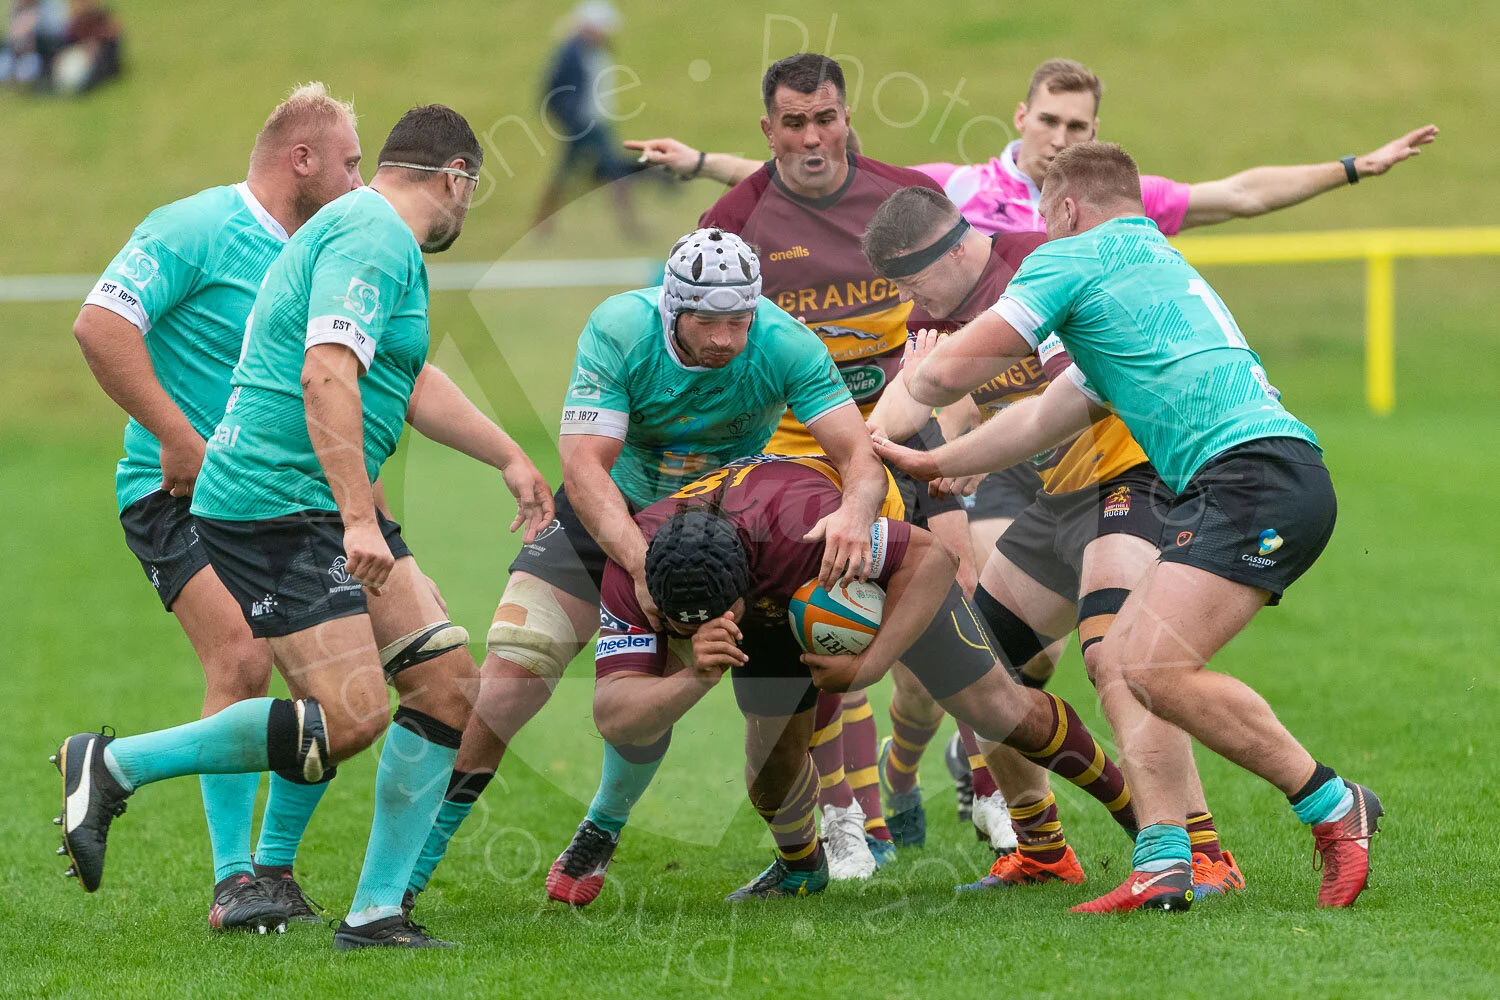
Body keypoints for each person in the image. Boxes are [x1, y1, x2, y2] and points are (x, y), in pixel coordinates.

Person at [55, 105, 555, 949]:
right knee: (350, 713)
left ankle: (374, 913)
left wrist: (507, 454)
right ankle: (111, 767)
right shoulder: (372, 237)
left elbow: (396, 377)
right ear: (457, 178)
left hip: (320, 497)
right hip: (275, 503)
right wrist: (361, 517)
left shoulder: (367, 233)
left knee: (444, 686)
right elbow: (326, 374)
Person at [885, 140, 1381, 913]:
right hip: (1262, 474)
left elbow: (947, 374)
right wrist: (931, 464)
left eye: (1047, 219)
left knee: (1145, 667)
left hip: (1248, 478)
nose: (1042, 234)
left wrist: (895, 406)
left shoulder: (1070, 256)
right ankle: (1160, 857)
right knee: (1123, 660)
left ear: (1069, 210)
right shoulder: (1147, 264)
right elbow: (1047, 419)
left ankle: (1330, 807)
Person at [403, 227, 888, 910]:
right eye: (708, 322)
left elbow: (859, 457)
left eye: (739, 321)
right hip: (607, 512)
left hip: (711, 537)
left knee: (648, 691)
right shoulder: (621, 329)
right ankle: (408, 875)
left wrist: (855, 513)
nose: (725, 338)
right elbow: (583, 464)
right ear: (672, 309)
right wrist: (639, 562)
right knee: (511, 674)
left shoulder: (785, 343)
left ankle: (603, 823)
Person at [864, 185, 1244, 896]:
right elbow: (913, 402)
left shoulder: (1039, 271)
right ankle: (1040, 847)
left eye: (911, 283)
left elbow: (1064, 406)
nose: (913, 303)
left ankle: (1203, 854)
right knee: (976, 670)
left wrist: (954, 453)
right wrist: (861, 458)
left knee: (1116, 660)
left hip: (1131, 478)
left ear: (946, 252)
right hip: (1059, 499)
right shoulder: (942, 310)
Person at [72, 82, 365, 932]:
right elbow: (99, 324)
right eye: (348, 163)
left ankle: (270, 871)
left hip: (283, 498)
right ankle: (234, 878)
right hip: (179, 492)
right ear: (299, 159)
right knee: (240, 662)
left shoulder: (320, 254)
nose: (357, 183)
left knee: (333, 685)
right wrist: (174, 434)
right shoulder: (194, 226)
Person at [588, 455, 1138, 900]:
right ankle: (802, 868)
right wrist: (696, 676)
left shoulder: (807, 528)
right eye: (683, 626)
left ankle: (1144, 823)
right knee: (769, 774)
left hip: (881, 574)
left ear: (746, 583)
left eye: (722, 615)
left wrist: (867, 667)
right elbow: (614, 716)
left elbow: (931, 557)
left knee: (997, 708)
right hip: (772, 602)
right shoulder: (634, 567)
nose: (710, 628)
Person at [697, 52, 977, 865]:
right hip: (803, 451)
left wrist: (957, 428)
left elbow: (965, 314)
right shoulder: (735, 222)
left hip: (904, 426)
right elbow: (704, 347)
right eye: (793, 122)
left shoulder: (901, 198)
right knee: (829, 611)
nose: (812, 137)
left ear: (847, 117)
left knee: (963, 594)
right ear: (768, 130)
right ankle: (846, 821)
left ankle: (990, 794)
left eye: (825, 118)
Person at [628, 57, 1438, 237]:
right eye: (1049, 120)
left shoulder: (1126, 201)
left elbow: (1243, 192)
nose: (1059, 137)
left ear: (1095, 133)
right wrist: (699, 160)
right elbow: (821, 177)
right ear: (1021, 116)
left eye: (1077, 126)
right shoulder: (953, 188)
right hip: (975, 416)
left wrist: (1351, 169)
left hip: (1074, 415)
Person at [533, 1, 647, 238]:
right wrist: (568, 121)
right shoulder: (571, 53)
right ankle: (630, 227)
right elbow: (551, 90)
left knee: (572, 174)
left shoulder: (592, 51)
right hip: (584, 125)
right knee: (611, 172)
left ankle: (542, 224)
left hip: (595, 123)